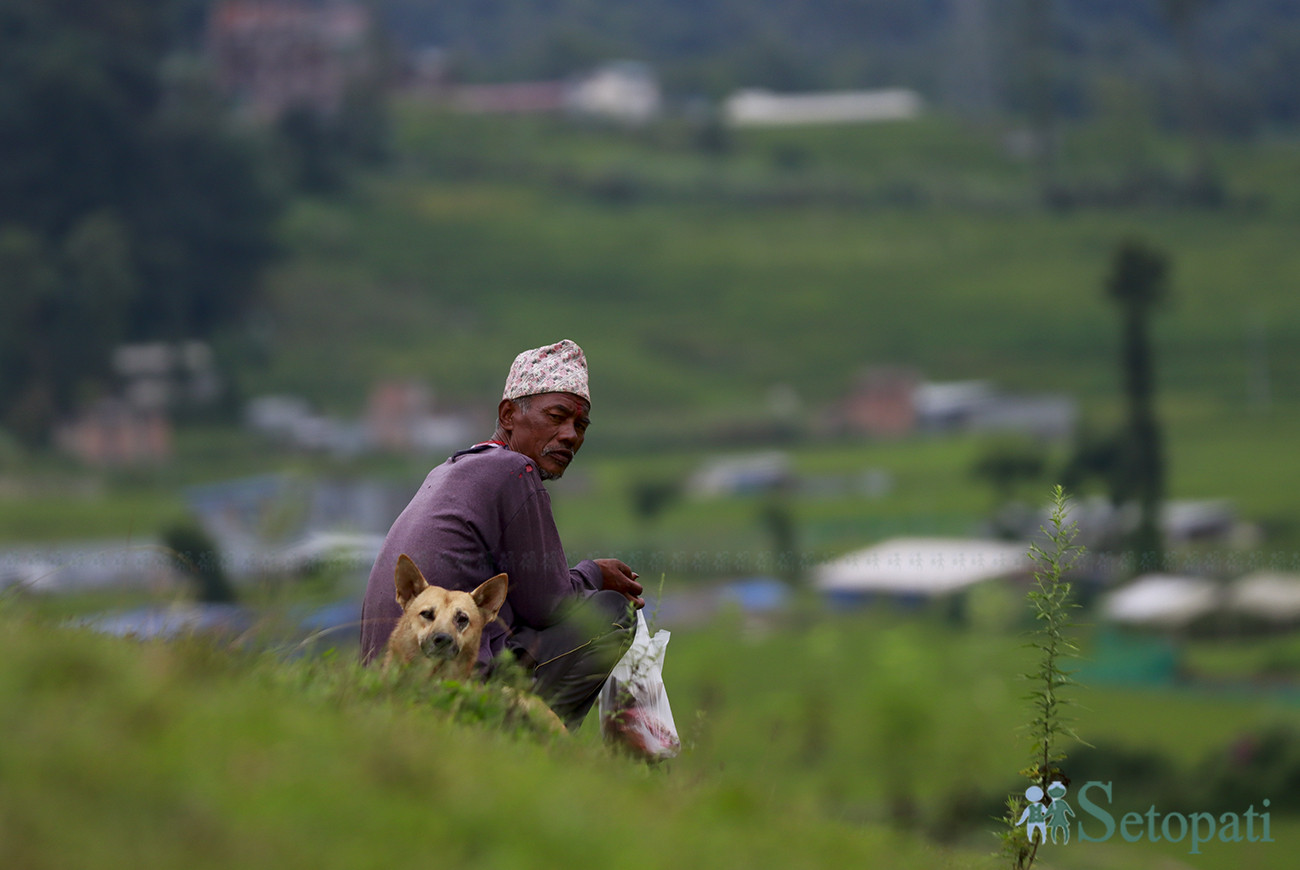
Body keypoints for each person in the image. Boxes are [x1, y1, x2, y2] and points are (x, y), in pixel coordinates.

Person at [359, 339, 643, 731]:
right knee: (611, 613)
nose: (570, 435)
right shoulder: (514, 472)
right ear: (508, 415)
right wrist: (594, 574)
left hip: (384, 684)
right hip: (445, 688)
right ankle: (530, 744)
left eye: (580, 426)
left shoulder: (452, 468)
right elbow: (550, 603)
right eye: (557, 417)